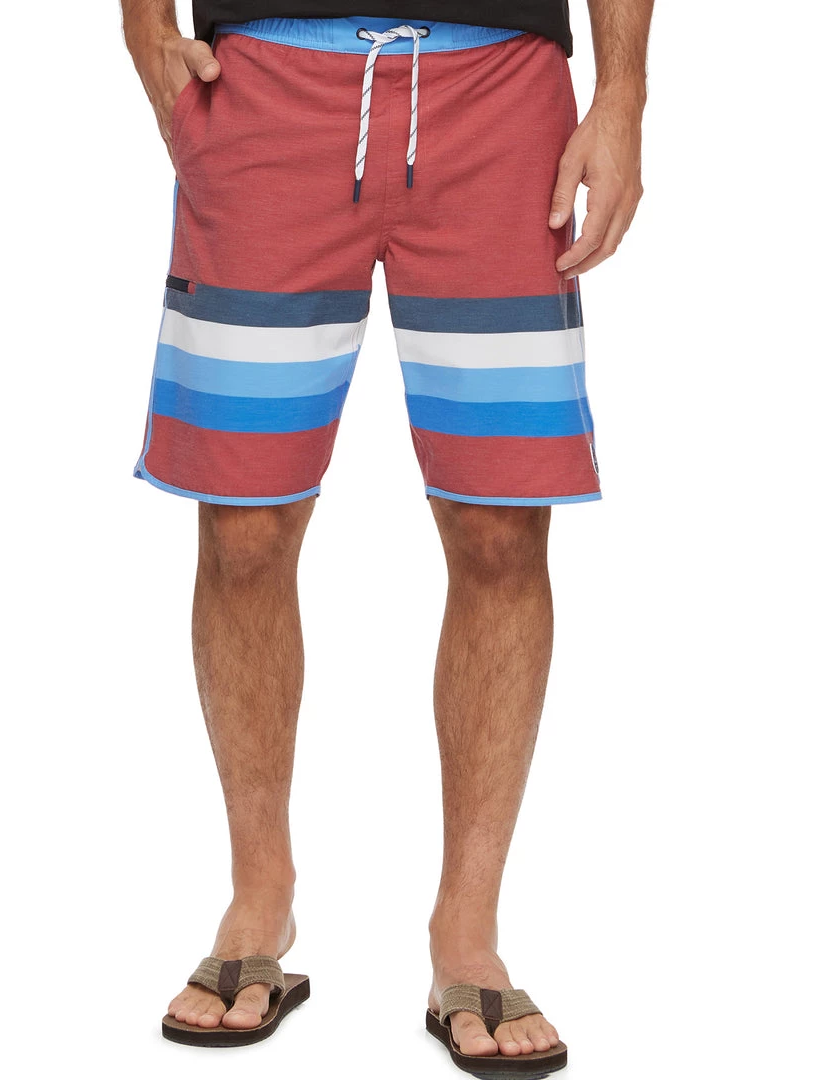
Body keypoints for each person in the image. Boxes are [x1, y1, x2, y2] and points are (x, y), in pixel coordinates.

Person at [121, 0, 651, 1073]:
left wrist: (624, 90)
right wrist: (142, 26)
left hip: (503, 95)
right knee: (245, 524)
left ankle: (468, 933)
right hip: (262, 87)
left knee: (501, 527)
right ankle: (259, 898)